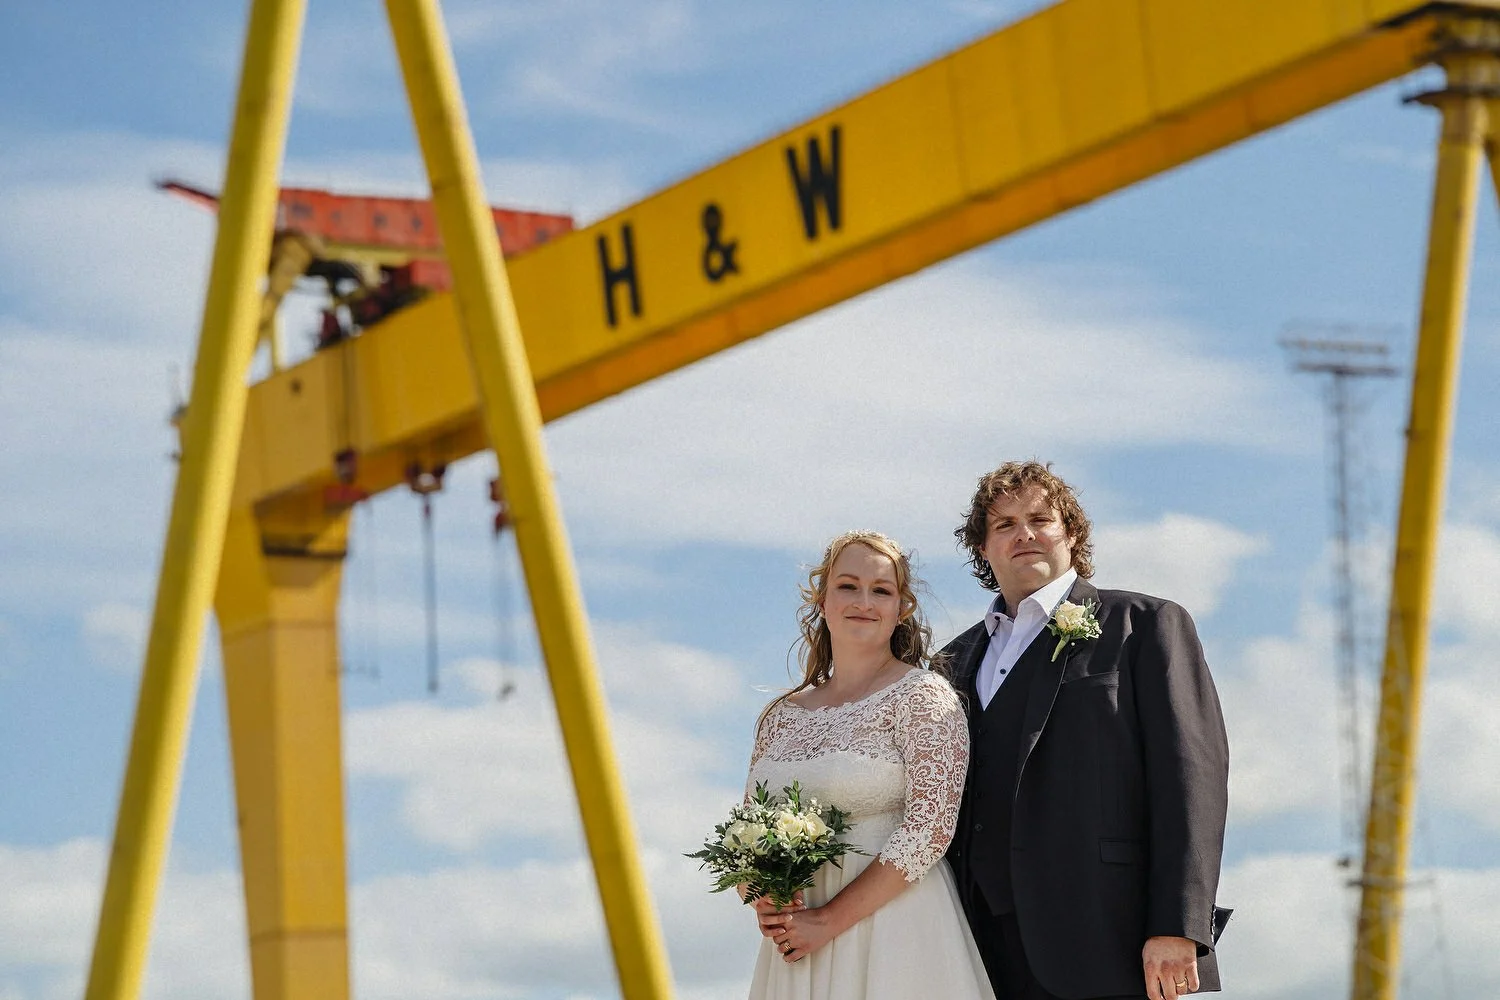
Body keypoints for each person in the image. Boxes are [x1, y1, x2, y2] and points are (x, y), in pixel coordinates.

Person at [941, 461, 1231, 1000]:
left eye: (1039, 519)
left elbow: (1192, 780)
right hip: (973, 945)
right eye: (1003, 525)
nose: (1023, 534)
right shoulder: (952, 661)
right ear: (982, 547)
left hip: (1107, 936)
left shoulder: (1145, 625)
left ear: (1071, 533)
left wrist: (1178, 923)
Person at [745, 530, 995, 1000]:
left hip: (893, 930)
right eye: (848, 586)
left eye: (881, 590)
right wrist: (761, 894)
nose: (864, 601)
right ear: (822, 600)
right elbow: (749, 828)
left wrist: (827, 921)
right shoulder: (781, 717)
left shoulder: (922, 698)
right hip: (796, 944)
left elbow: (930, 830)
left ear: (901, 609)